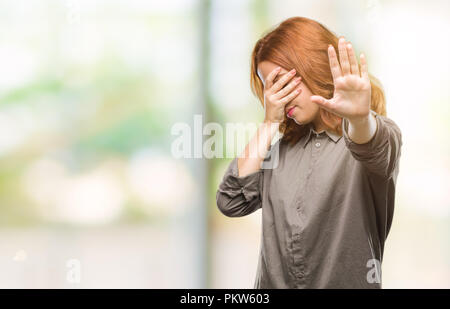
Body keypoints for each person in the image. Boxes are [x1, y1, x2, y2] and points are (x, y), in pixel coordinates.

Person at [215, 16, 402, 288]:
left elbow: (372, 144)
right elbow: (230, 201)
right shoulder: (280, 151)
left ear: (312, 68)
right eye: (270, 87)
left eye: (283, 82)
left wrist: (361, 118)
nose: (277, 96)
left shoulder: (373, 136)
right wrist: (269, 123)